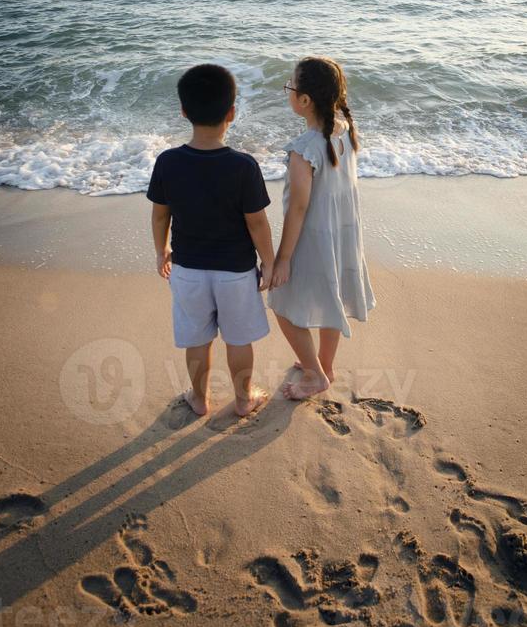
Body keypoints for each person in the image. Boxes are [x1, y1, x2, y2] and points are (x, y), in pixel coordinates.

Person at [147, 64, 274, 417]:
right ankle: (244, 398)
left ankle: (199, 399)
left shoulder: (168, 162)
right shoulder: (243, 166)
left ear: (184, 111)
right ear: (231, 113)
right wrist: (270, 261)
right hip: (235, 271)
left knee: (197, 340)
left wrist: (162, 252)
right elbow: (257, 222)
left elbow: (160, 215)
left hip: (187, 269)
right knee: (238, 339)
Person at [268, 56, 376, 400]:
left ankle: (315, 373)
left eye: (290, 86)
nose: (288, 91)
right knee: (334, 298)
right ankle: (324, 365)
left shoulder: (304, 149)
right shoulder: (344, 131)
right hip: (343, 233)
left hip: (314, 236)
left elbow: (298, 208)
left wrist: (283, 258)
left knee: (281, 302)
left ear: (304, 100)